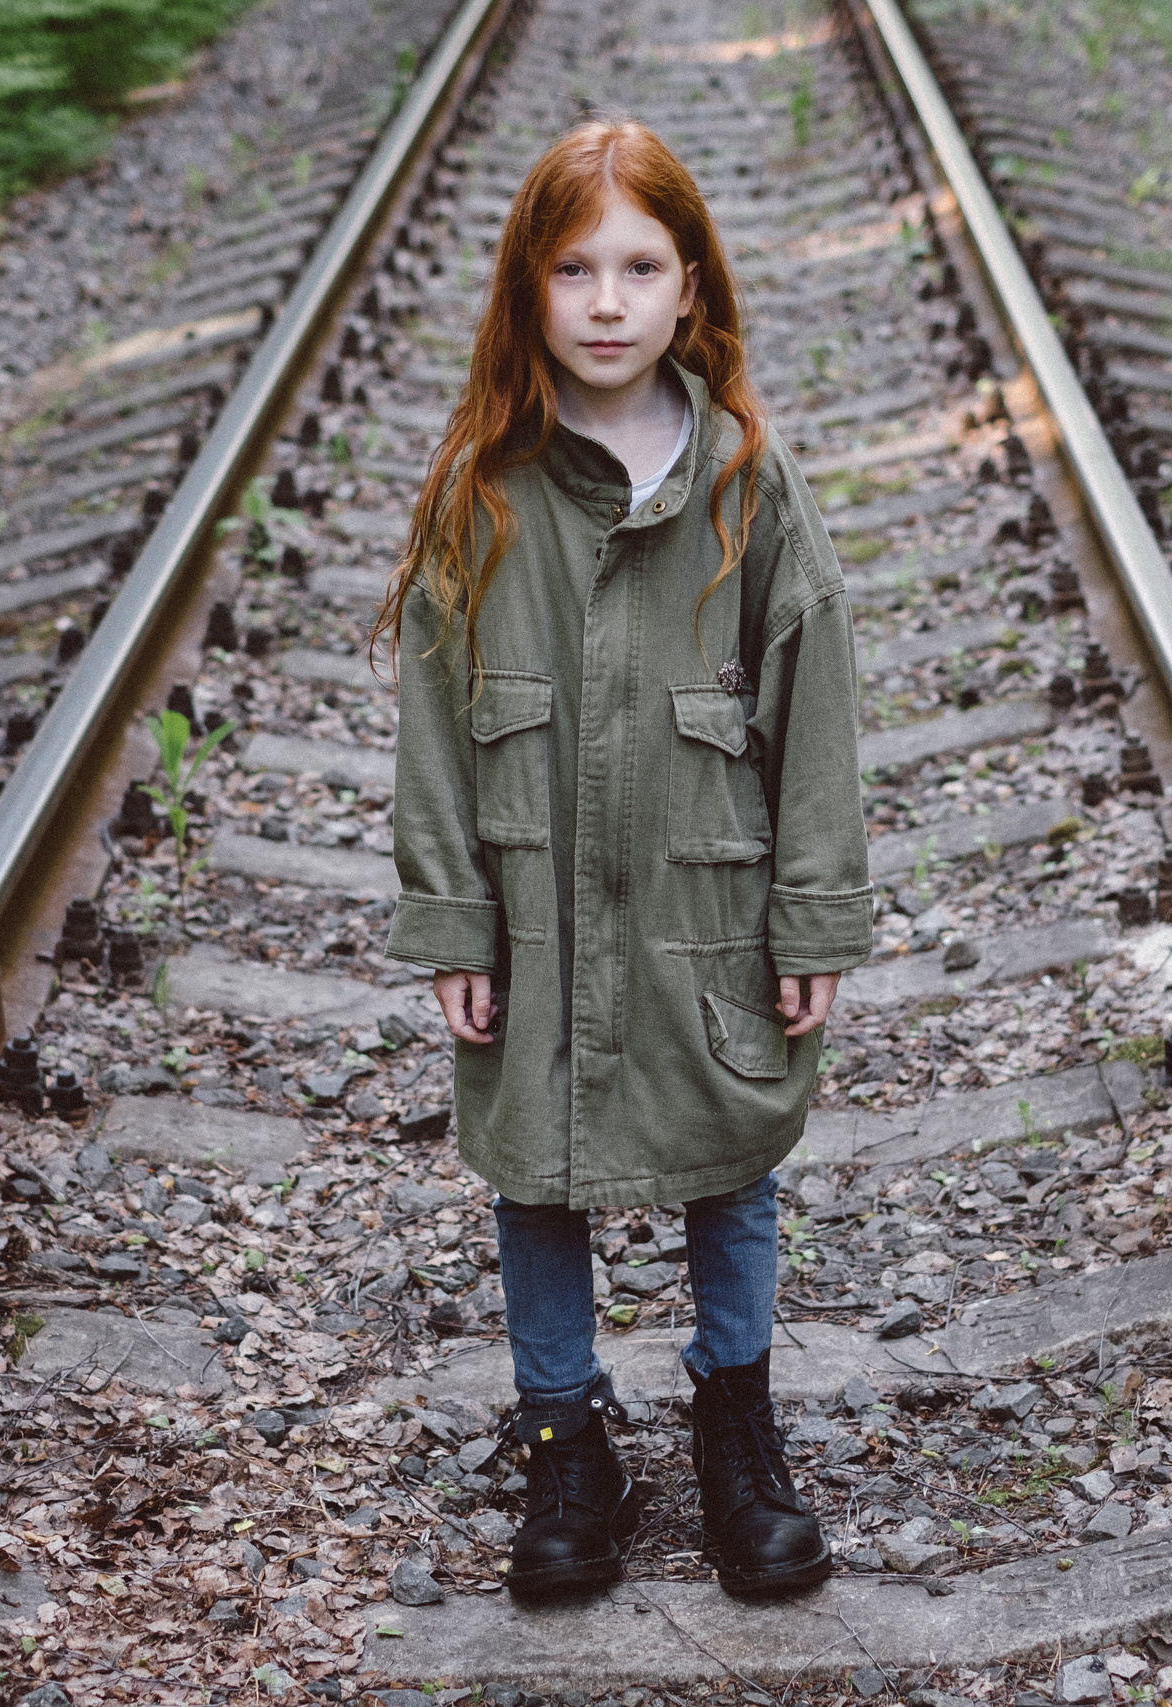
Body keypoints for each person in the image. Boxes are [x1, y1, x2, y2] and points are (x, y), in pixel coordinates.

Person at [373, 116, 872, 1603]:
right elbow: (432, 727)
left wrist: (815, 914)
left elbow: (818, 705)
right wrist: (454, 918)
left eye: (640, 267)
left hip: (704, 902)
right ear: (527, 290)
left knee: (731, 1155)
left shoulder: (747, 488)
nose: (606, 301)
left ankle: (737, 1424)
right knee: (536, 1167)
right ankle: (565, 1433)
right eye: (573, 267)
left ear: (691, 289)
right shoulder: (485, 492)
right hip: (534, 910)